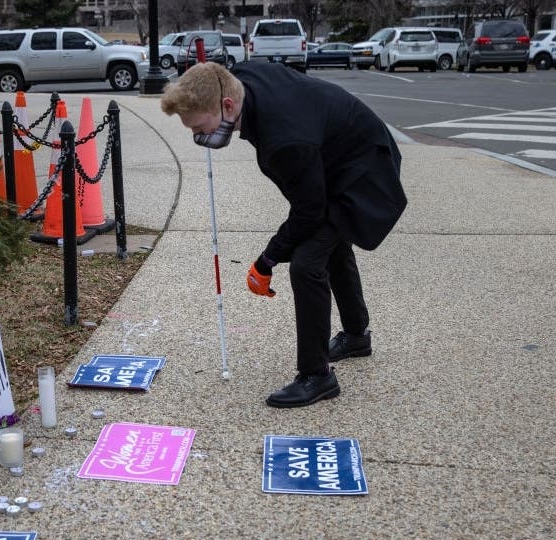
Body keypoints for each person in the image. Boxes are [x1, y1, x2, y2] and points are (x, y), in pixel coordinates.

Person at [160, 61, 406, 408]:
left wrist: (267, 259)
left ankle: (317, 376)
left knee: (306, 263)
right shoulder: (238, 80)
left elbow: (309, 212)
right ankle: (356, 336)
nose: (199, 137)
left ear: (227, 106)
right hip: (339, 155)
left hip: (365, 173)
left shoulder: (284, 141)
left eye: (201, 126)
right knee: (330, 245)